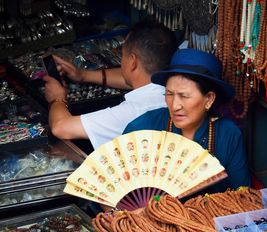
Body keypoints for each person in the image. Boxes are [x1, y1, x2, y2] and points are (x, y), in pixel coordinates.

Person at [123, 48, 251, 193]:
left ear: (209, 99)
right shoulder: (142, 128)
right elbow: (112, 189)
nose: (175, 105)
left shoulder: (227, 134)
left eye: (184, 96)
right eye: (169, 94)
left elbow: (242, 194)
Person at [43, 19, 177, 149]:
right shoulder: (177, 91)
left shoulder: (132, 112)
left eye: (123, 54)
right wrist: (82, 75)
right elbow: (135, 78)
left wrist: (57, 98)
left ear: (133, 62)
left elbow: (61, 127)